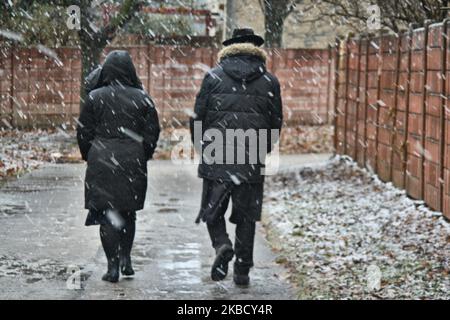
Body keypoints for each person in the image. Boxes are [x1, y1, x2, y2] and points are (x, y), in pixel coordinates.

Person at [190, 28, 283, 286]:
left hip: (217, 154)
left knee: (212, 211)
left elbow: (197, 117)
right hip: (251, 157)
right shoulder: (270, 81)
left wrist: (203, 147)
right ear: (255, 49)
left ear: (230, 47)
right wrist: (261, 148)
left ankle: (221, 244)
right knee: (246, 217)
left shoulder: (213, 76)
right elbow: (276, 123)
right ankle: (242, 270)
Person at [77, 50, 160, 283]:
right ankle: (126, 259)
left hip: (101, 160)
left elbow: (83, 131)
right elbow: (152, 132)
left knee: (107, 215)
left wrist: (89, 154)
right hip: (132, 160)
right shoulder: (143, 98)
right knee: (128, 213)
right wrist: (143, 153)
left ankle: (112, 267)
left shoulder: (95, 97)